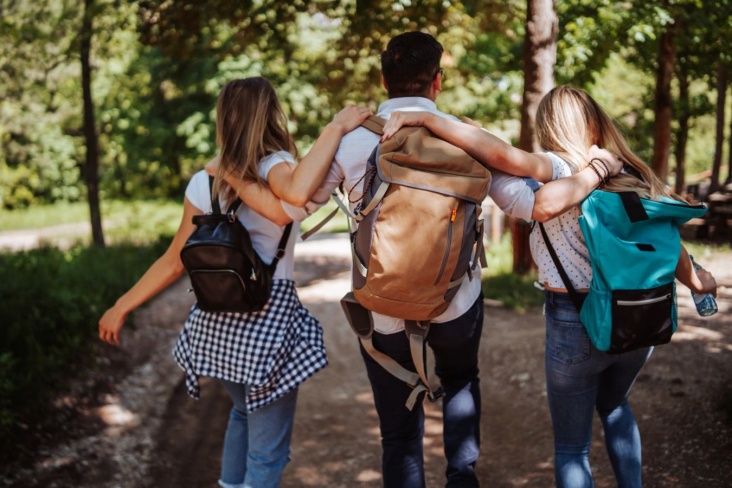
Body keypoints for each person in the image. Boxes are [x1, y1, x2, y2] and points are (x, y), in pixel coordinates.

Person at [217, 34, 623, 487]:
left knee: (398, 435)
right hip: (457, 300)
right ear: (438, 81)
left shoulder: (352, 141)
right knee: (462, 380)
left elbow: (293, 207)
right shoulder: (469, 137)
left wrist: (234, 170)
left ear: (383, 80)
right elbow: (529, 206)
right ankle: (461, 474)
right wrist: (592, 170)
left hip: (380, 307)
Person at [380, 84, 719, 488]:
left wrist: (431, 119)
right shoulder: (630, 172)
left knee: (572, 449)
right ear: (594, 121)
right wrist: (697, 278)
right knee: (614, 405)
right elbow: (663, 237)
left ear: (548, 127)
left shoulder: (560, 167)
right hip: (638, 315)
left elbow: (503, 155)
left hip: (573, 322)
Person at [98, 77, 372, 488]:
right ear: (270, 115)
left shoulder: (205, 180)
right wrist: (335, 127)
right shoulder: (274, 165)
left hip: (218, 320)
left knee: (243, 412)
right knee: (266, 454)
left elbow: (174, 262)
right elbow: (295, 196)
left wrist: (122, 304)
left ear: (223, 119)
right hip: (268, 318)